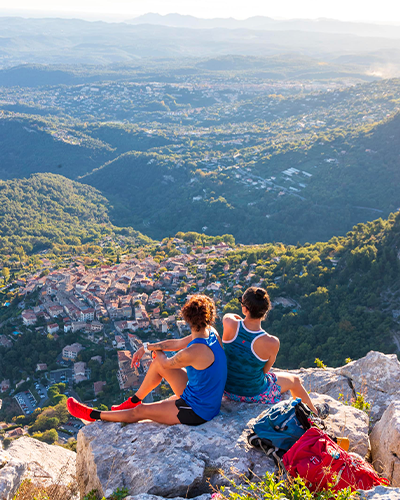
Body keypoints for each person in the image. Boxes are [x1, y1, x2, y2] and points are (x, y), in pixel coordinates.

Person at [67, 294, 227, 426]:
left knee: (140, 412)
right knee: (157, 362)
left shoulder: (194, 351)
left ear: (187, 319)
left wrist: (157, 352)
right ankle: (133, 401)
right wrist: (146, 347)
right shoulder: (210, 333)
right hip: (205, 397)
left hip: (197, 410)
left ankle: (93, 415)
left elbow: (165, 362)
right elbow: (176, 343)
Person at [222, 286, 327, 417]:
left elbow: (231, 315)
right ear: (265, 311)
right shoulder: (272, 342)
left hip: (226, 389)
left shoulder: (228, 322)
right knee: (294, 380)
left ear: (245, 308)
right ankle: (314, 414)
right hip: (253, 394)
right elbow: (264, 371)